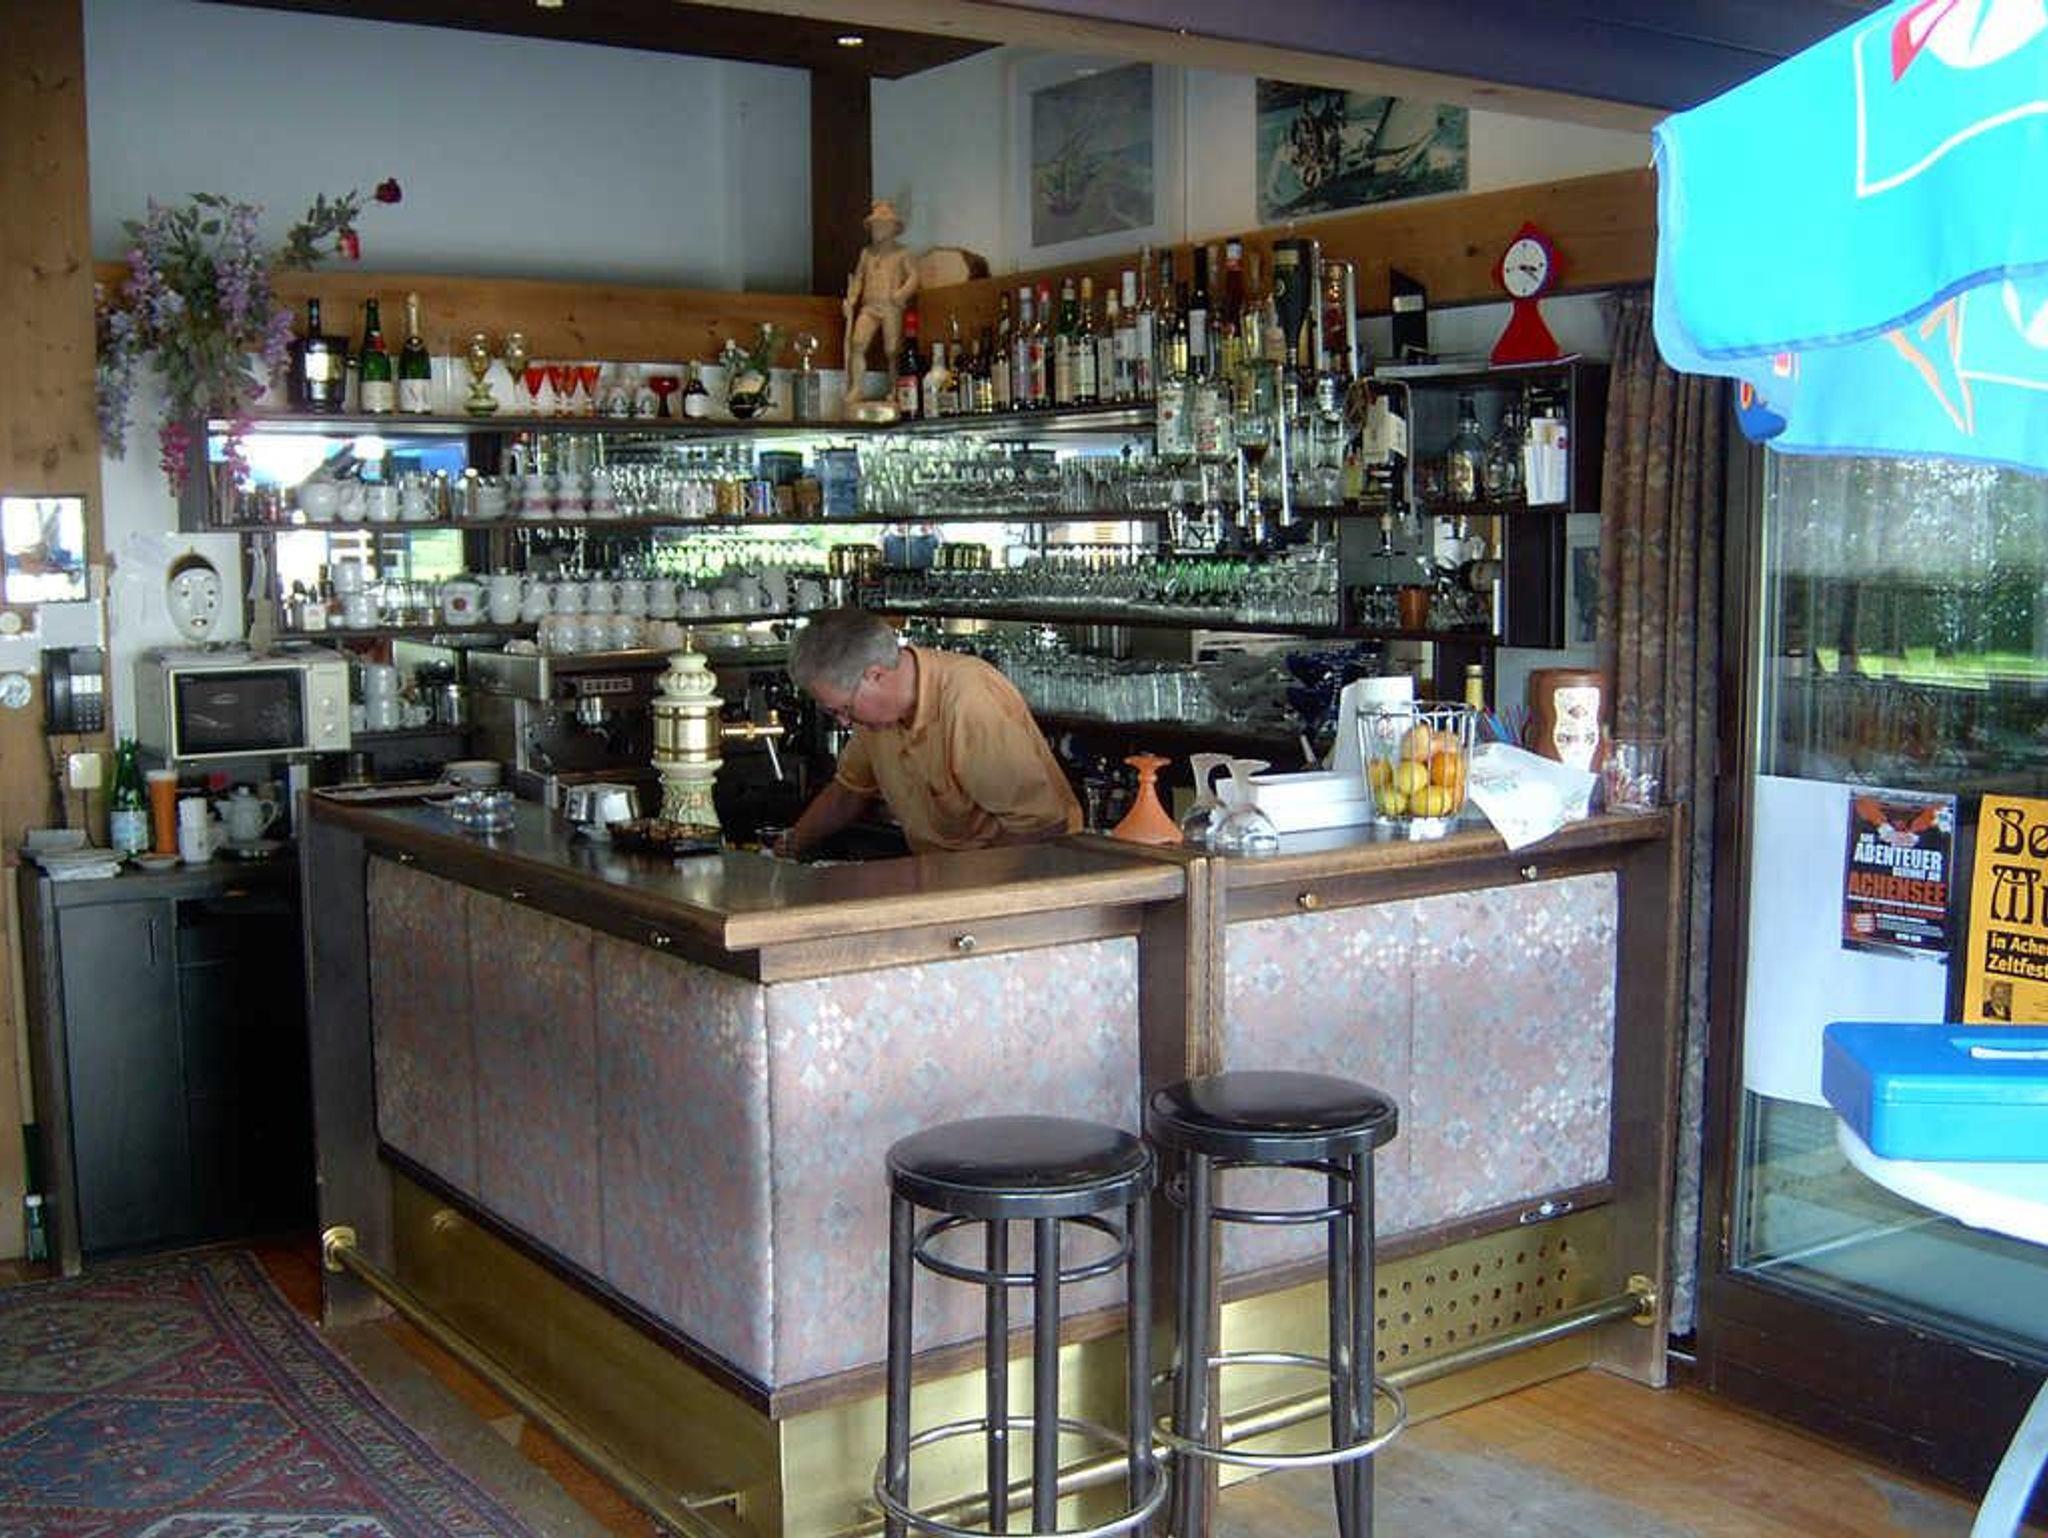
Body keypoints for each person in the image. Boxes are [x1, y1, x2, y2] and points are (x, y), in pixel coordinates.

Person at [778, 609, 1082, 857]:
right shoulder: (875, 720)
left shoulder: (968, 699)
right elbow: (849, 792)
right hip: (945, 878)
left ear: (875, 675)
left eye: (843, 709)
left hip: (1026, 878)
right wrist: (787, 847)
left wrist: (964, 890)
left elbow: (1040, 824)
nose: (845, 722)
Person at [842, 199, 920, 405]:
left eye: (880, 225)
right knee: (857, 343)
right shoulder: (866, 253)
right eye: (874, 226)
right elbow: (858, 279)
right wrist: (851, 299)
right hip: (869, 306)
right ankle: (857, 388)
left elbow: (914, 277)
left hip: (891, 306)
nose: (875, 230)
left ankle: (895, 388)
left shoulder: (902, 253)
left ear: (891, 228)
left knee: (892, 350)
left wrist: (901, 294)